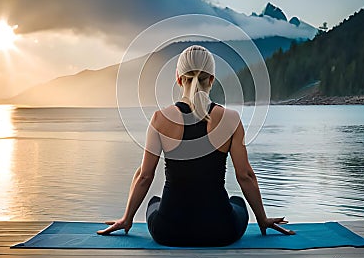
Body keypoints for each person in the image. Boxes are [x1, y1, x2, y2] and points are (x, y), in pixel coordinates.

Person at [97, 45, 294, 245]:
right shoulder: (231, 119)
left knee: (154, 203)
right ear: (211, 80)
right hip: (221, 231)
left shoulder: (159, 119)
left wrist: (126, 219)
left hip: (168, 232)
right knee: (238, 202)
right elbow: (245, 175)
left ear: (179, 79)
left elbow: (144, 176)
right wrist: (262, 219)